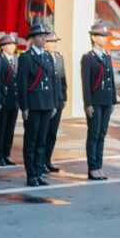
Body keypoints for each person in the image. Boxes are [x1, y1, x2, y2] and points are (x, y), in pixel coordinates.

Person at [18, 21, 57, 187]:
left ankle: (39, 171)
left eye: (44, 36)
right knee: (31, 140)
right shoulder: (26, 58)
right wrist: (24, 106)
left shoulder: (47, 56)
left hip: (47, 103)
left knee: (42, 140)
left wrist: (54, 103)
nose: (43, 39)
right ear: (32, 39)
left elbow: (54, 82)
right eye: (40, 36)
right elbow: (22, 83)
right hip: (33, 104)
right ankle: (31, 174)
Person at [81, 21, 115, 180]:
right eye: (101, 36)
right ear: (94, 38)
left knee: (102, 135)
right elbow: (86, 83)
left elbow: (111, 80)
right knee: (93, 134)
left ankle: (99, 166)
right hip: (95, 101)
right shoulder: (88, 58)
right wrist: (88, 103)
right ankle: (92, 167)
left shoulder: (107, 56)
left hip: (106, 101)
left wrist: (113, 100)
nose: (104, 38)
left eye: (105, 36)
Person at [0, 33, 20, 167]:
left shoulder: (16, 58)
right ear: (3, 46)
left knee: (10, 129)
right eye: (10, 44)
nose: (13, 46)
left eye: (14, 44)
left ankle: (6, 154)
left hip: (14, 99)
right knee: (1, 129)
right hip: (4, 98)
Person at [42, 33, 68, 173]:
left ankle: (47, 160)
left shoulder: (59, 57)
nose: (54, 44)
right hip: (47, 101)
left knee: (52, 133)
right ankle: (40, 162)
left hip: (58, 100)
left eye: (55, 41)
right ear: (45, 42)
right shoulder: (43, 57)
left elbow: (63, 79)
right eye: (51, 41)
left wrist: (64, 97)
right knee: (44, 133)